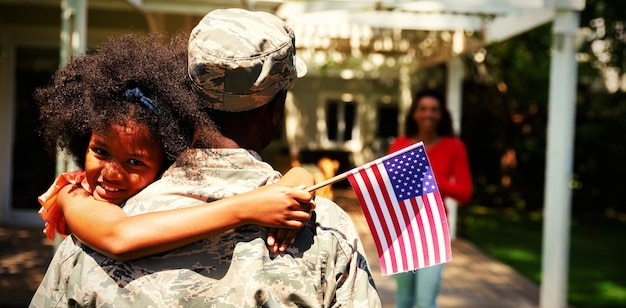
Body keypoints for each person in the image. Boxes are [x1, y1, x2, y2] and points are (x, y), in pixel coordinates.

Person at [31, 8, 381, 307]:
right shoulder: (320, 227)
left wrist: (297, 176)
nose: (112, 171)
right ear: (276, 109)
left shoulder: (93, 224)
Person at [388, 88, 473, 308]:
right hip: (402, 231)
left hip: (434, 231)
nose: (428, 114)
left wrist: (432, 178)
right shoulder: (399, 144)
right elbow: (388, 188)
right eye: (423, 109)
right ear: (414, 114)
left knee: (425, 302)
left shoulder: (454, 146)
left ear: (441, 115)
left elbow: (465, 193)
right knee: (404, 299)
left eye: (434, 110)